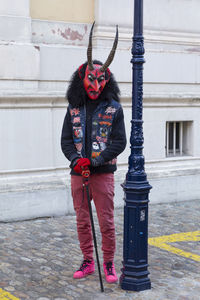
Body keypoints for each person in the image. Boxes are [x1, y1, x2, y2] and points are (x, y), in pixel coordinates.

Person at [61, 22, 126, 284]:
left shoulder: (113, 109)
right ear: (81, 77)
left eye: (101, 80)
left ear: (107, 81)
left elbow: (119, 142)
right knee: (82, 221)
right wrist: (77, 161)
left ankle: (108, 264)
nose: (96, 85)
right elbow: (66, 141)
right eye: (91, 78)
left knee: (106, 222)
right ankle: (88, 260)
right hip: (79, 174)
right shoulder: (74, 108)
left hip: (102, 175)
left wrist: (96, 160)